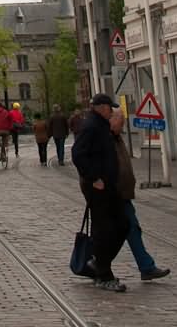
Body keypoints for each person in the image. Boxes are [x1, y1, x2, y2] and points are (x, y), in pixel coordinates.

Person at [71, 92, 129, 292]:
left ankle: (98, 262)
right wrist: (94, 178)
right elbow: (78, 154)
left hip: (109, 185)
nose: (111, 111)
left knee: (122, 224)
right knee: (105, 229)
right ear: (102, 107)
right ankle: (104, 273)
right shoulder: (91, 126)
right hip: (98, 187)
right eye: (109, 108)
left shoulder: (101, 125)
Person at [108, 108, 169, 282]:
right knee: (114, 232)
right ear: (111, 121)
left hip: (123, 194)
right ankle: (96, 263)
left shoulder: (117, 138)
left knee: (131, 229)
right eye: (121, 123)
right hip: (114, 194)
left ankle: (146, 266)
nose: (123, 127)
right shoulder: (105, 139)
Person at [48, 102, 69, 167]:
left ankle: (59, 158)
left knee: (58, 147)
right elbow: (66, 125)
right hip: (62, 134)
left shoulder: (52, 116)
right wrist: (67, 133)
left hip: (55, 135)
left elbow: (50, 126)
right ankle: (61, 160)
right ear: (59, 109)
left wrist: (50, 134)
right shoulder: (63, 115)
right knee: (61, 147)